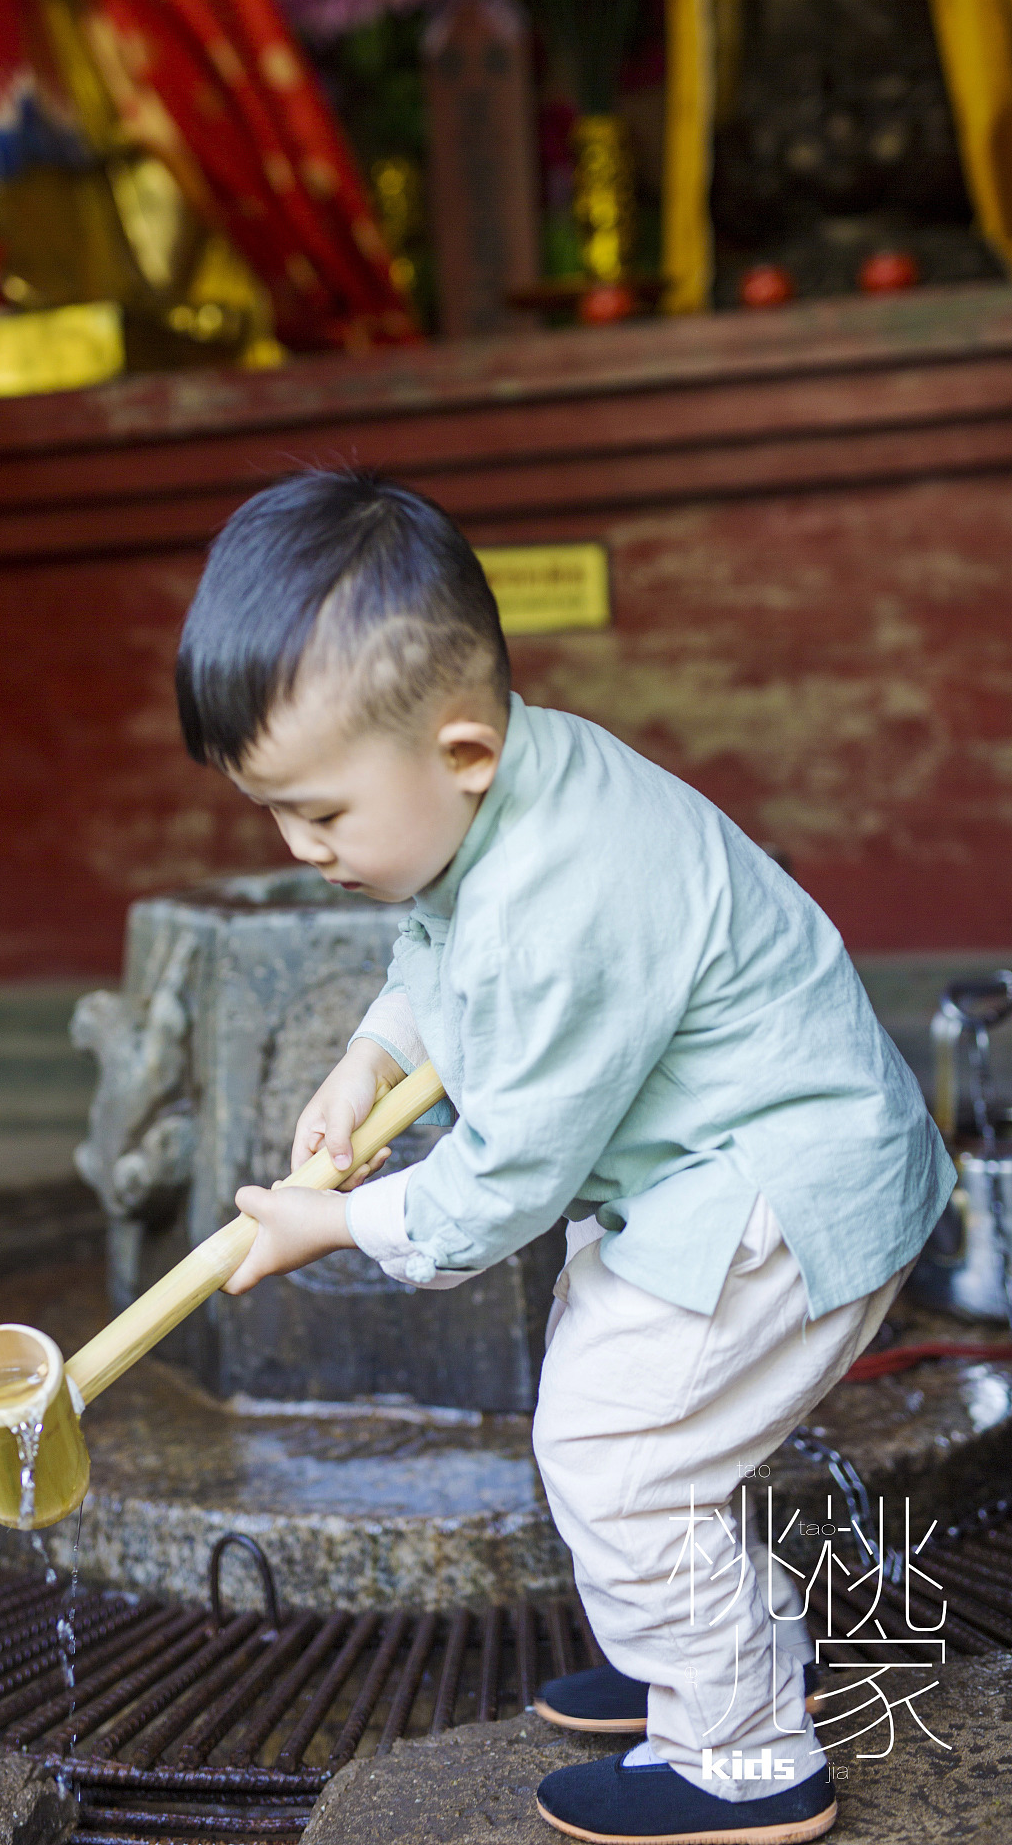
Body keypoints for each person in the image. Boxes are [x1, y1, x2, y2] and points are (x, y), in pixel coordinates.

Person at [174, 469, 954, 1845]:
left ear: (461, 753)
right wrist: (363, 1062)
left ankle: (743, 1752)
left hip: (788, 1183)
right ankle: (695, 1650)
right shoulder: (503, 781)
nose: (303, 851)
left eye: (324, 816)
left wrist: (333, 1229)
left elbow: (509, 1182)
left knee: (616, 1450)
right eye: (277, 815)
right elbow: (437, 939)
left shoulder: (564, 901)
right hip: (714, 1163)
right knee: (614, 1388)